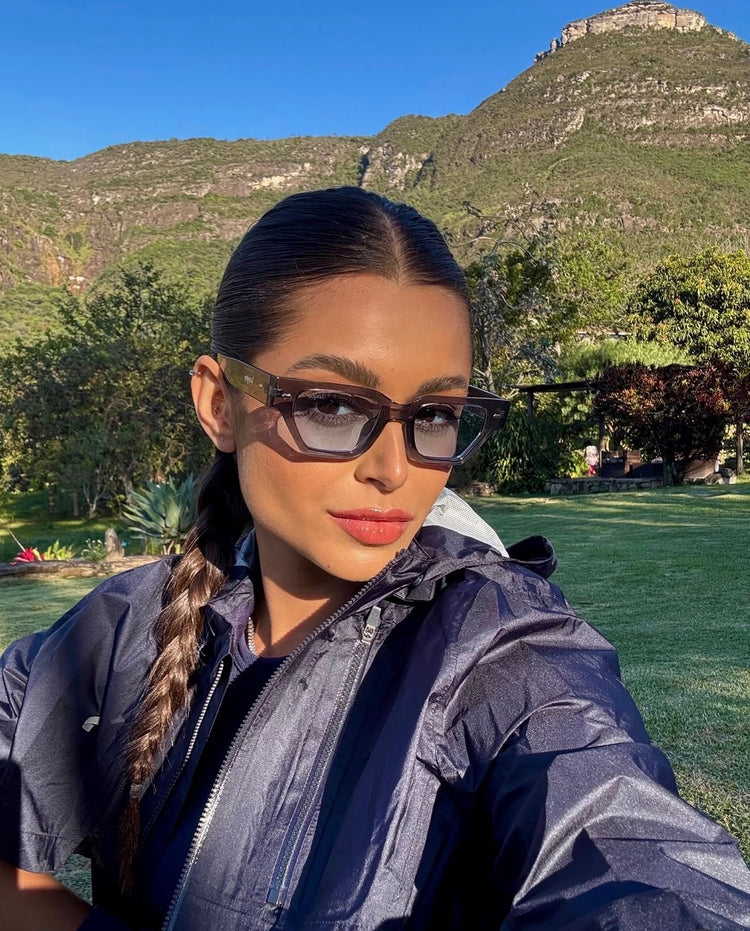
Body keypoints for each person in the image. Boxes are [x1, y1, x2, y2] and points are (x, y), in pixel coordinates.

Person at [1, 187, 749, 931]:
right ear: (219, 403)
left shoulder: (502, 652)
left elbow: (633, 854)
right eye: (331, 405)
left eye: (436, 415)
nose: (394, 468)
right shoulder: (124, 626)